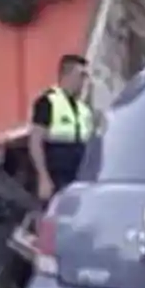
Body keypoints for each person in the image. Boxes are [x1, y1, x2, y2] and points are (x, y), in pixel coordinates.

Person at [28, 53, 95, 202]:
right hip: (58, 179)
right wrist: (43, 178)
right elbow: (35, 142)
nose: (84, 81)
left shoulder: (83, 109)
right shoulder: (48, 102)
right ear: (67, 74)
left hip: (80, 179)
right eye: (81, 75)